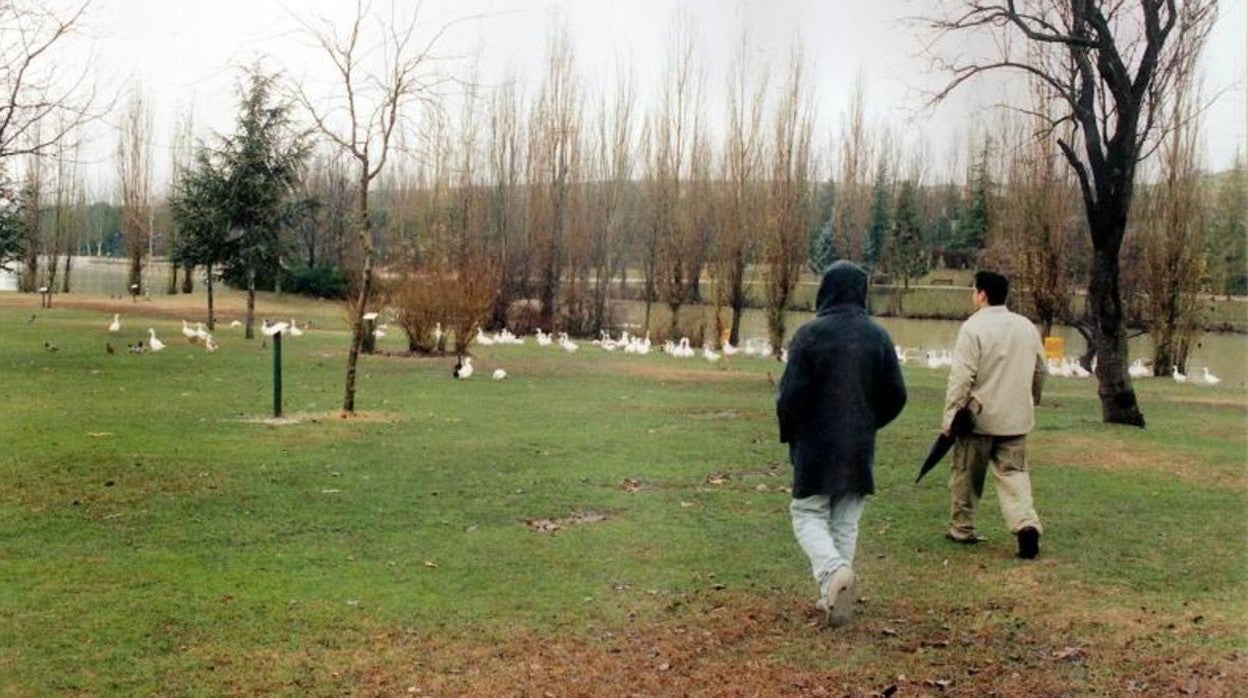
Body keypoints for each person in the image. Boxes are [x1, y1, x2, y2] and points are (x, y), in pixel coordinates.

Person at [777, 261, 907, 627]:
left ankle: (833, 573)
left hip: (816, 446)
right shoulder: (878, 336)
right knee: (845, 523)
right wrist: (868, 421)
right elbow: (897, 395)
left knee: (807, 514)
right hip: (859, 446)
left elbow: (789, 397)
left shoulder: (810, 335)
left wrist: (792, 433)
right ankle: (834, 598)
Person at [942, 270, 1047, 559]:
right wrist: (1030, 399)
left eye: (974, 290)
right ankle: (1025, 524)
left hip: (978, 417)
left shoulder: (973, 328)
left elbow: (962, 378)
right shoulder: (1026, 326)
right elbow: (1041, 370)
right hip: (1015, 418)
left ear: (982, 294)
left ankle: (961, 528)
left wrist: (950, 418)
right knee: (1014, 476)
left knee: (965, 473)